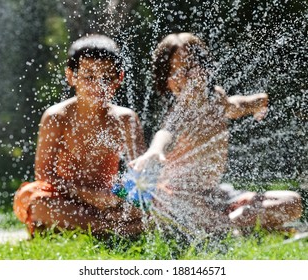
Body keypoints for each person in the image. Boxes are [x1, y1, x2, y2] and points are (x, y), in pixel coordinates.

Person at [129, 32, 302, 233]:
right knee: (187, 215)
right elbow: (165, 132)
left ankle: (231, 224)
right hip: (181, 199)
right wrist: (154, 150)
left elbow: (234, 106)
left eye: (187, 68)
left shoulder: (216, 98)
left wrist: (257, 102)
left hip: (216, 194)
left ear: (205, 68)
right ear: (164, 80)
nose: (180, 78)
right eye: (172, 72)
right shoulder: (178, 112)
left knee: (293, 202)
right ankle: (236, 226)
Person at [13, 34, 147, 238]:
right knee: (37, 203)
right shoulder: (56, 117)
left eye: (107, 77)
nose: (98, 85)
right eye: (89, 77)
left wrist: (122, 196)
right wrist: (88, 195)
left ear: (119, 78)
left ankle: (93, 228)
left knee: (153, 205)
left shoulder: (125, 119)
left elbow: (139, 173)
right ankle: (116, 230)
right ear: (71, 76)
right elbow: (44, 175)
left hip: (107, 200)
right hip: (66, 197)